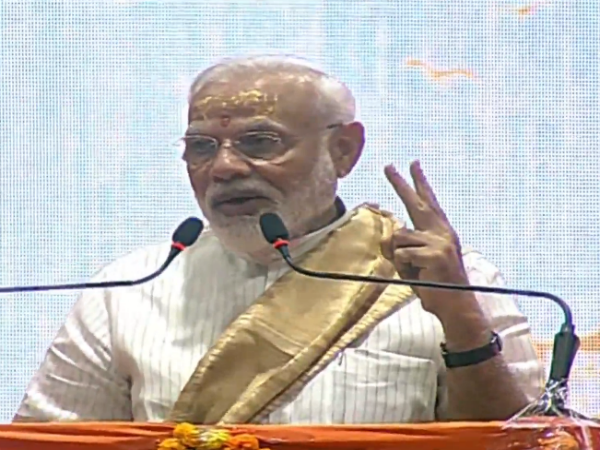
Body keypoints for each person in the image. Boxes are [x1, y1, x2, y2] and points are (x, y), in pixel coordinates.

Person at [14, 55, 544, 425]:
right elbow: (47, 442)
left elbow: (526, 441)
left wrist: (462, 319)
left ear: (343, 151)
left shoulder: (451, 280)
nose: (224, 167)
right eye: (201, 147)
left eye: (260, 142)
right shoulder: (126, 290)